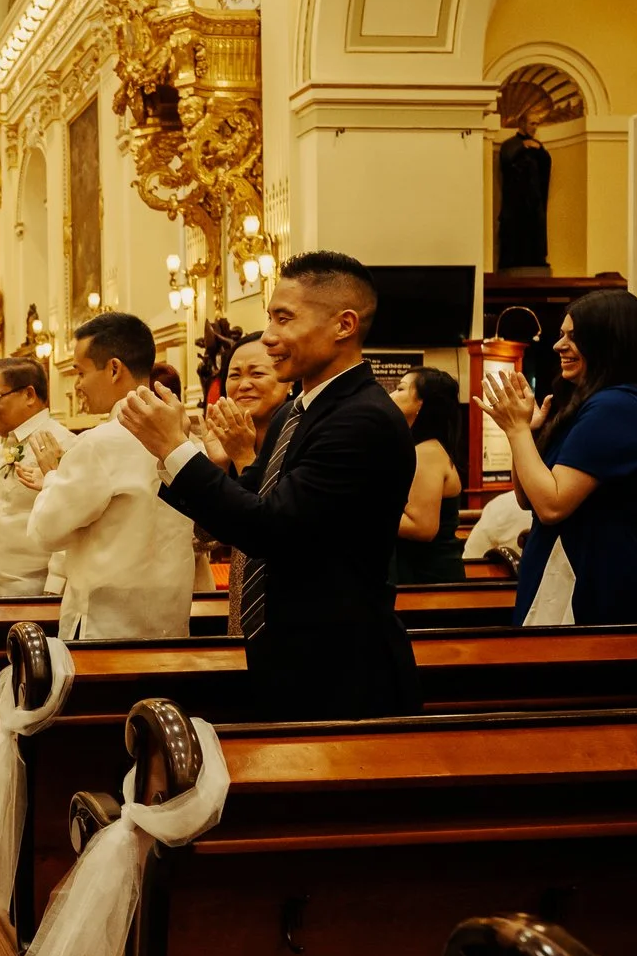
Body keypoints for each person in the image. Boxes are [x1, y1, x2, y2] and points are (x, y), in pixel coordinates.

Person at [118, 252, 421, 718]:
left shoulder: (362, 418)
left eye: (285, 318)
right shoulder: (296, 411)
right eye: (270, 318)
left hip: (340, 667)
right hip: (289, 652)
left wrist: (175, 448)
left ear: (344, 325)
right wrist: (186, 456)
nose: (271, 338)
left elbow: (270, 528)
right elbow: (256, 500)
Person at [480, 289, 637, 627]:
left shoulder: (618, 407)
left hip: (591, 575)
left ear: (610, 342)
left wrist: (516, 431)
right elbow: (528, 498)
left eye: (575, 336)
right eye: (561, 335)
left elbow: (552, 506)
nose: (559, 346)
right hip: (563, 564)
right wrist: (526, 433)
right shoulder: (594, 404)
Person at [30, 312, 209, 637]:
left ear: (114, 368)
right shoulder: (188, 442)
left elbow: (46, 532)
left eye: (81, 372)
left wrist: (52, 476)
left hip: (104, 632)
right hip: (168, 626)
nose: (78, 385)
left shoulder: (100, 444)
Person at [0, 355, 73, 598]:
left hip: (33, 591)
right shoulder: (4, 447)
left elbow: (71, 522)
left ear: (29, 394)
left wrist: (54, 588)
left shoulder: (63, 442)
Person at [390, 367, 467, 584]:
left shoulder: (427, 452)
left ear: (420, 404)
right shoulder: (419, 448)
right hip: (418, 571)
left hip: (429, 579)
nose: (391, 395)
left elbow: (422, 527)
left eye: (400, 389)